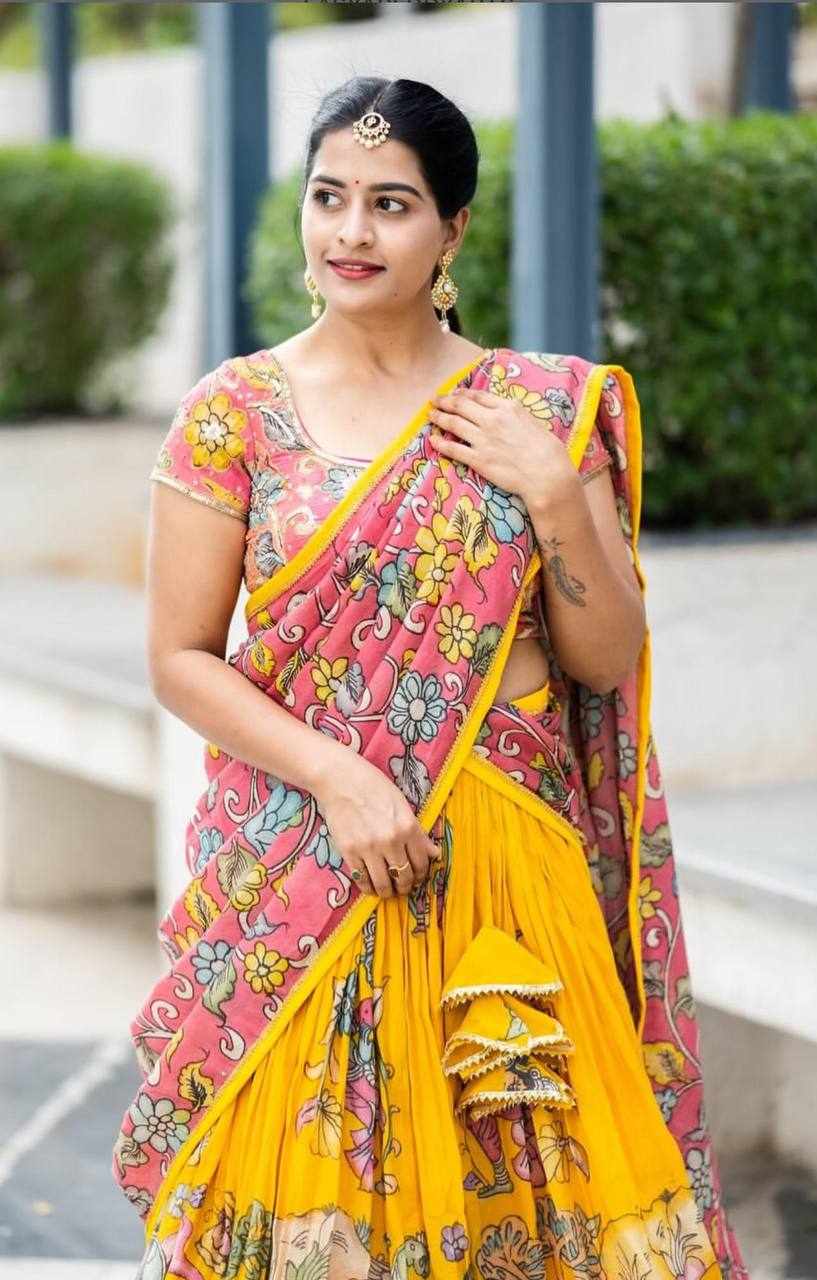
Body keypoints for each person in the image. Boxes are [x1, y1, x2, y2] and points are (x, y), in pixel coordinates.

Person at [113, 77, 749, 1280]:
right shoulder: (233, 415)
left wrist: (552, 489)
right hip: (316, 863)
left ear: (452, 229)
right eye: (329, 197)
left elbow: (603, 656)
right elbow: (180, 657)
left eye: (391, 204)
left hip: (509, 876)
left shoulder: (540, 408)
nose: (350, 231)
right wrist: (340, 777)